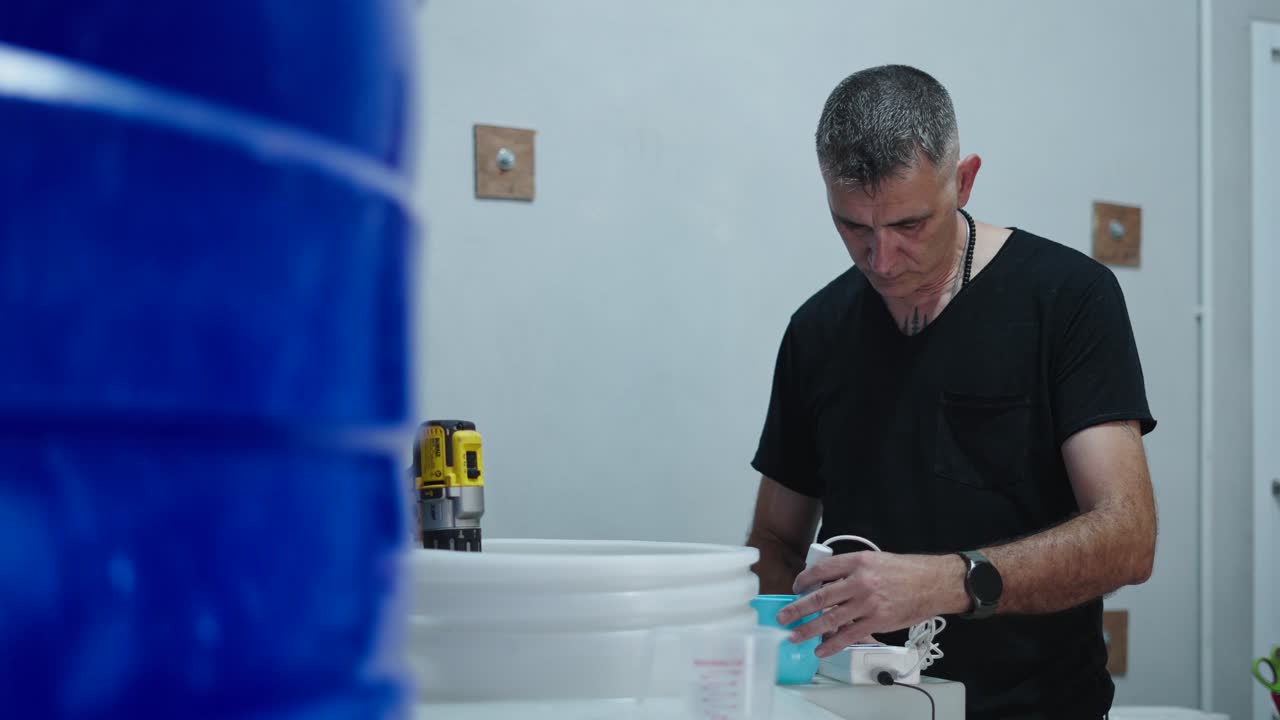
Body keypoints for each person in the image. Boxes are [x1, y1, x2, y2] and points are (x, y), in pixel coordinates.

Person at [745, 64, 1157, 719]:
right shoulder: (816, 331)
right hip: (857, 707)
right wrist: (790, 622)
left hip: (1040, 706)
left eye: (909, 225)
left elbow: (1128, 537)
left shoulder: (1067, 299)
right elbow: (773, 538)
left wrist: (945, 581)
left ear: (963, 180)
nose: (880, 260)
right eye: (853, 227)